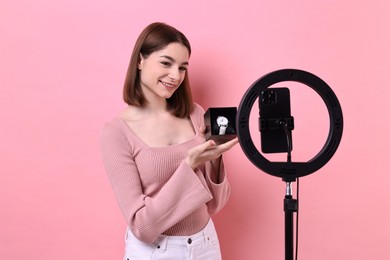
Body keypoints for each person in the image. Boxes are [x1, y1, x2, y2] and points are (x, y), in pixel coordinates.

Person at [100, 22, 238, 260]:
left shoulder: (194, 114)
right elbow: (142, 226)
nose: (176, 76)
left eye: (183, 68)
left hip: (206, 244)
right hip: (156, 251)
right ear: (140, 61)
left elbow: (214, 205)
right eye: (166, 63)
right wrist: (189, 165)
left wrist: (215, 160)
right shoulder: (116, 133)